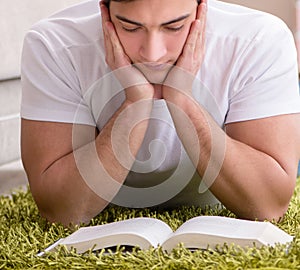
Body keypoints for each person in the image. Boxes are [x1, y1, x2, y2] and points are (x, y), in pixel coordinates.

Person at [21, 0, 300, 226]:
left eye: (174, 27)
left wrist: (181, 99)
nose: (152, 54)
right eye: (129, 27)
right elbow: (61, 211)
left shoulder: (259, 40)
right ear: (104, 9)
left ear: (202, 8)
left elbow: (268, 206)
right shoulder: (54, 45)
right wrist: (136, 104)